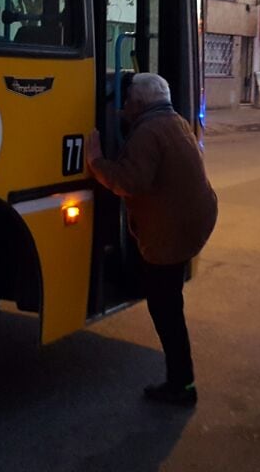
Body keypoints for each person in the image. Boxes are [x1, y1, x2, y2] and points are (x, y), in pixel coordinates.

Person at [85, 73, 218, 407]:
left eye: (127, 101)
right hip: (194, 222)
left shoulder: (147, 133)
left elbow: (129, 182)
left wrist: (96, 161)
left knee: (166, 309)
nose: (123, 108)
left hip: (171, 232)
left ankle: (181, 385)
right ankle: (182, 381)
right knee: (170, 303)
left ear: (141, 103)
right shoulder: (175, 122)